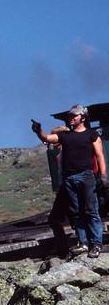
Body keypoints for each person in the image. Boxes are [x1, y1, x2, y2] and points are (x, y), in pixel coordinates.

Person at [33, 105, 107, 259]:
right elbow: (47, 138)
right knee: (76, 212)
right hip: (69, 178)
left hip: (86, 176)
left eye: (74, 116)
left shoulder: (92, 135)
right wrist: (38, 131)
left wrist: (104, 176)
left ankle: (96, 244)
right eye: (70, 116)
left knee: (91, 211)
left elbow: (100, 155)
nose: (71, 118)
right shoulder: (65, 136)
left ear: (83, 117)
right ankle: (83, 243)